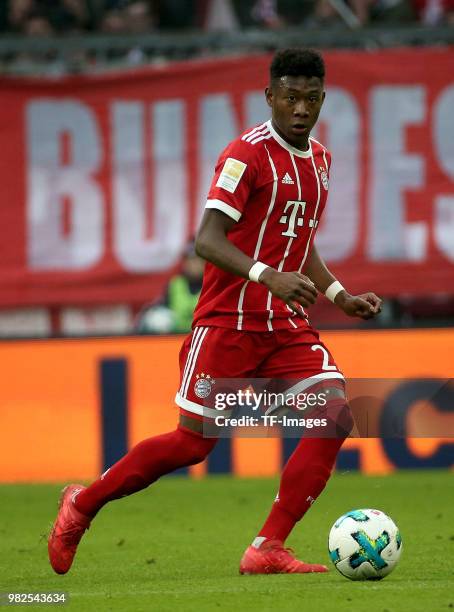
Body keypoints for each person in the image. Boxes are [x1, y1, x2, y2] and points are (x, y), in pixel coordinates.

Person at [48, 48, 382, 576]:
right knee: (192, 443)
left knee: (335, 415)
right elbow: (207, 240)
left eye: (311, 99)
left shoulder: (320, 159)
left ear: (322, 99)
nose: (301, 108)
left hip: (284, 327)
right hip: (228, 324)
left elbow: (299, 241)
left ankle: (268, 547)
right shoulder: (243, 156)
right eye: (290, 97)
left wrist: (339, 294)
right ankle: (82, 505)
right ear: (270, 95)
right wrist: (267, 275)